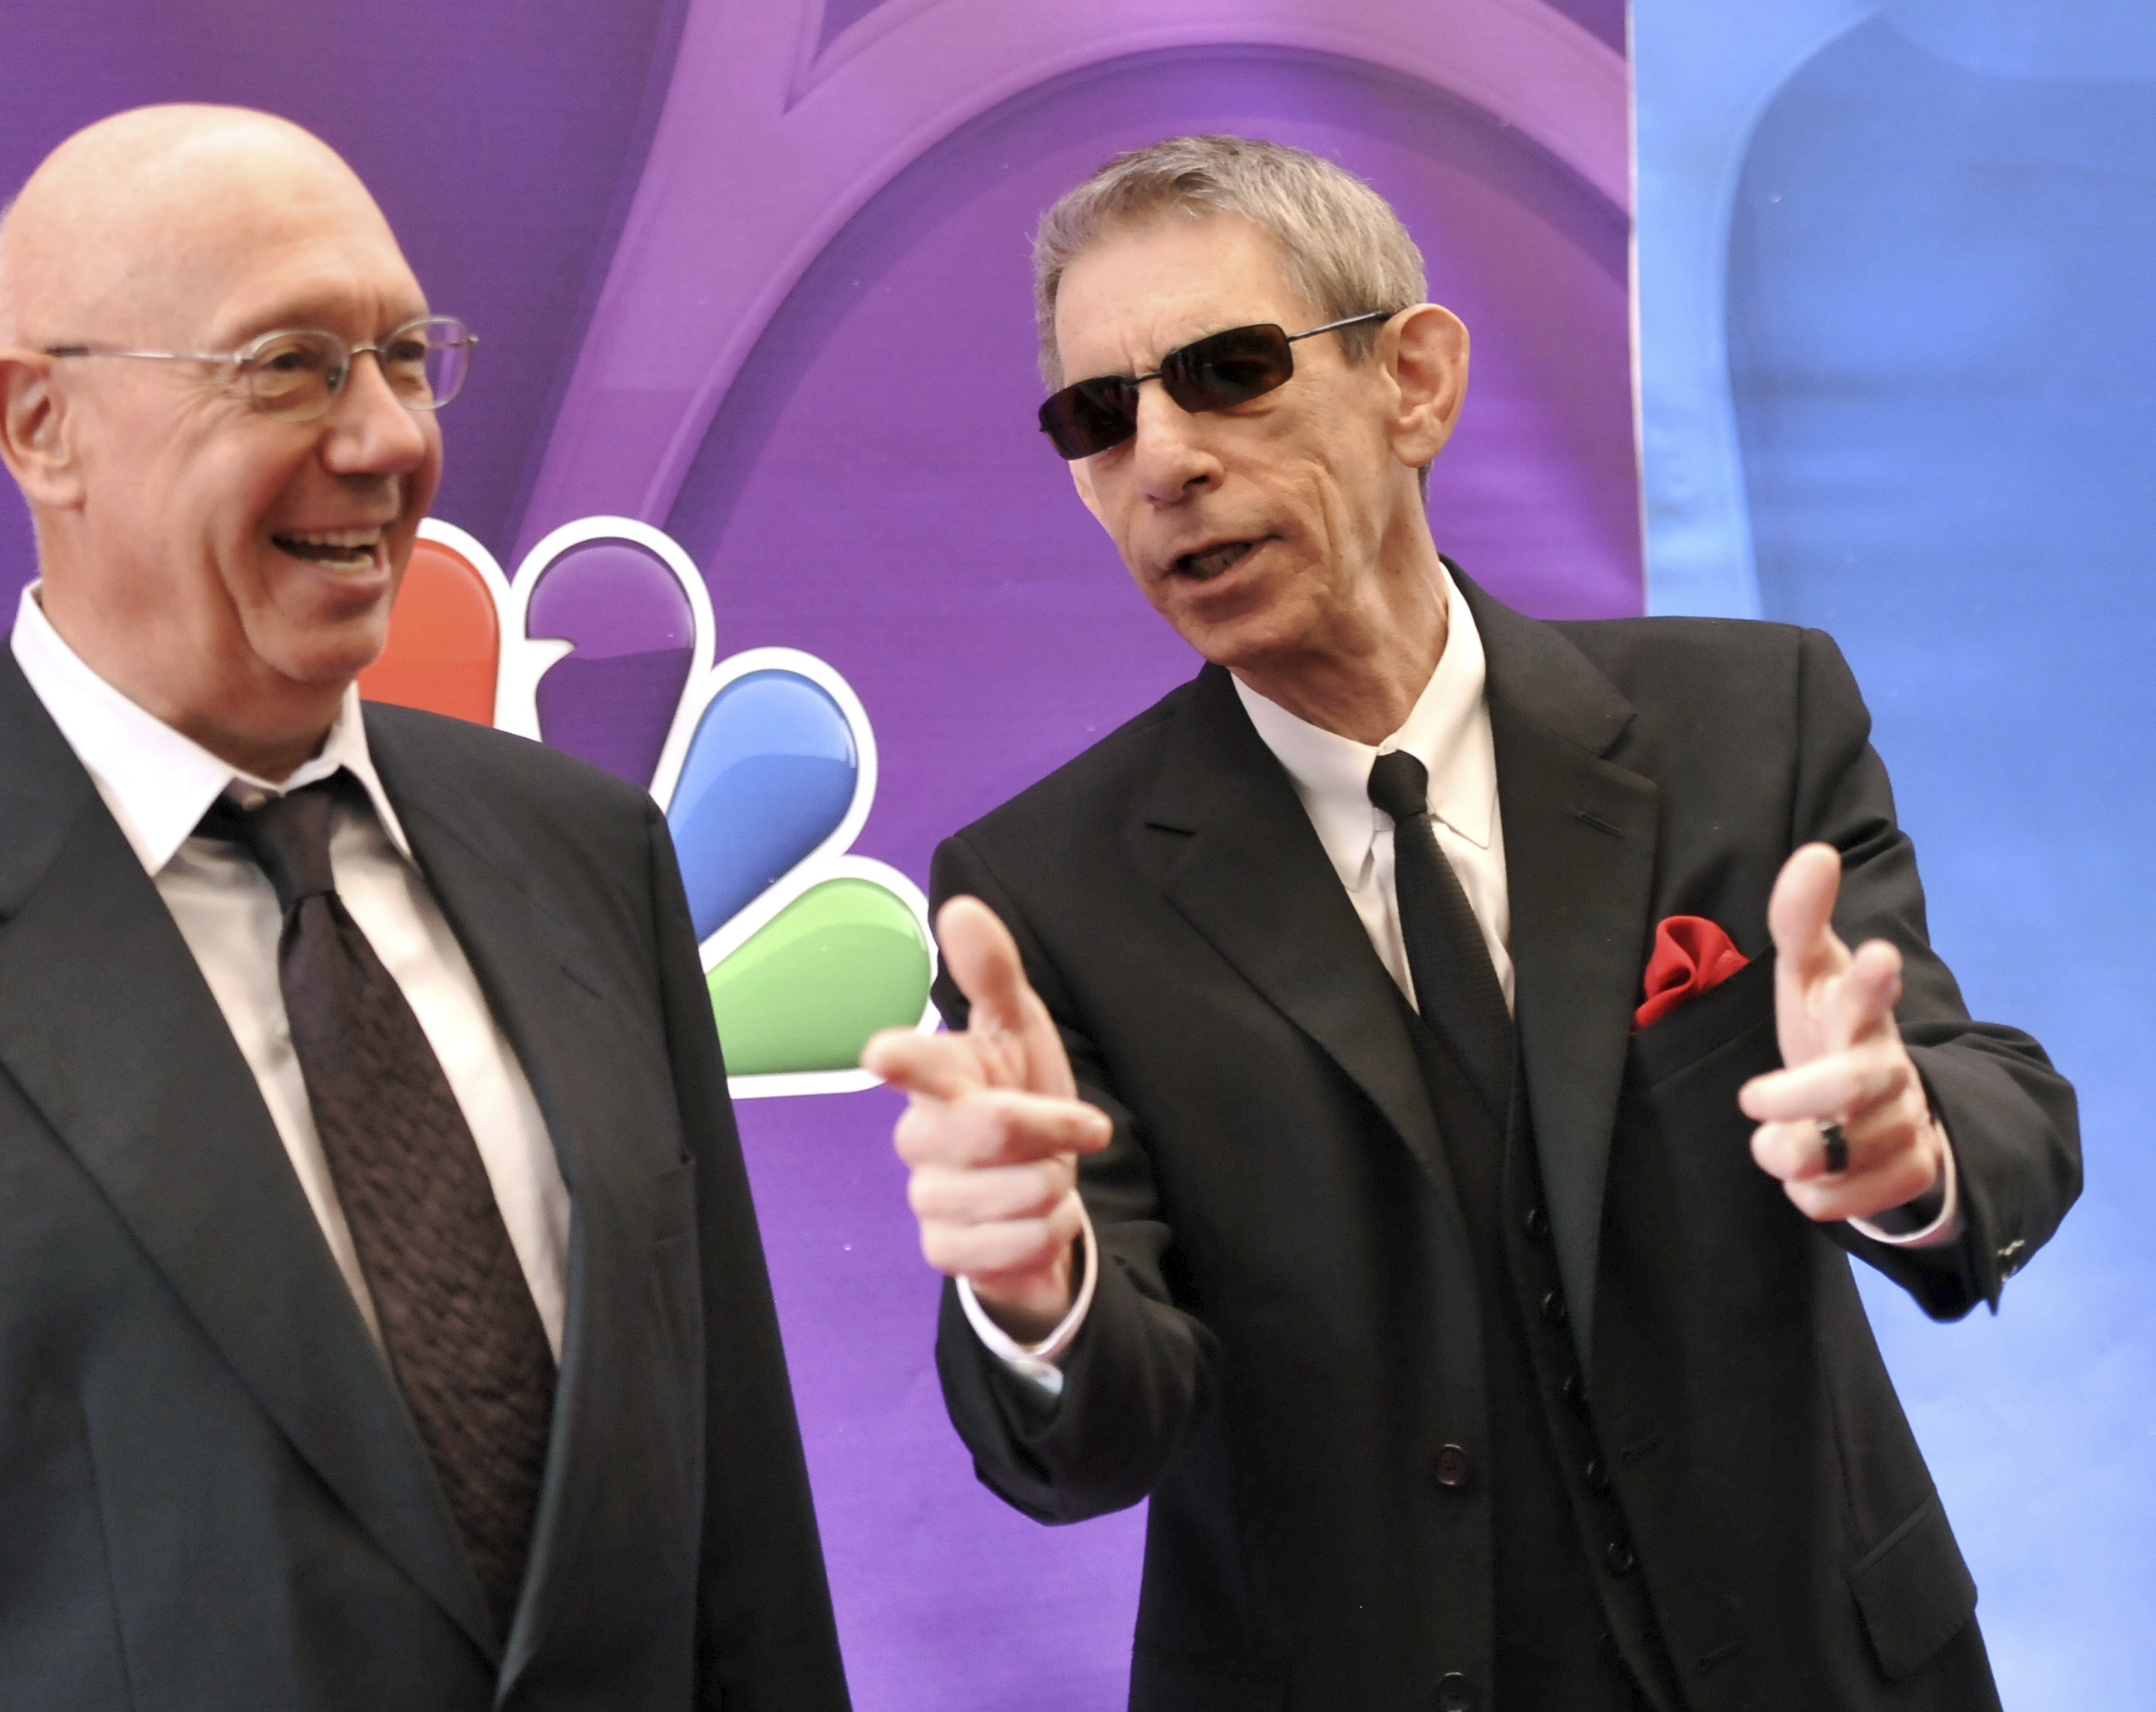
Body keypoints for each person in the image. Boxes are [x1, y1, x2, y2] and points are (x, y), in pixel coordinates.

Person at [865, 135, 2078, 1712]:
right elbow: (1099, 1433)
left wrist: (1909, 1148)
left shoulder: (1748, 719)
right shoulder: (1041, 896)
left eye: (1226, 372)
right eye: (1099, 417)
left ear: (1414, 383)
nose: (1161, 457)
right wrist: (1041, 1298)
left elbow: (2000, 1109)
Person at [0, 106, 849, 1712]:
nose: (386, 441)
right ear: (40, 426)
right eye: (288, 363)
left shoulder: (586, 848)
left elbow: (743, 1555)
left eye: (408, 357)